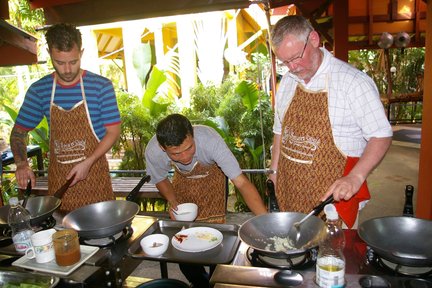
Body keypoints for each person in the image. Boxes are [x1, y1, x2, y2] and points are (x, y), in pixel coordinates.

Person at [268, 15, 393, 229]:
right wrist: (274, 173)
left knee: (333, 260)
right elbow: (280, 132)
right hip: (289, 198)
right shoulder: (288, 82)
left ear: (314, 39)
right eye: (285, 62)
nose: (293, 67)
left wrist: (355, 177)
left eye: (296, 57)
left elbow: (381, 134)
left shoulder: (353, 82)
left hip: (333, 205)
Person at [145, 113, 267, 287]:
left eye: (189, 148)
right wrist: (173, 203)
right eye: (176, 153)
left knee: (216, 240)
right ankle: (202, 283)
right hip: (183, 182)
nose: (185, 157)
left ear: (193, 135)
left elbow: (241, 182)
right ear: (163, 148)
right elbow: (160, 179)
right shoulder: (153, 151)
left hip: (213, 177)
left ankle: (215, 278)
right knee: (183, 244)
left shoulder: (210, 140)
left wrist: (266, 222)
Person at [10, 23, 121, 212]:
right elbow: (18, 132)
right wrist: (21, 164)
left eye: (73, 61)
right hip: (59, 185)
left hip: (96, 182)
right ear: (49, 53)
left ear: (81, 53)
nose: (68, 69)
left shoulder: (100, 86)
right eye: (60, 63)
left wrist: (88, 161)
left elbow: (113, 131)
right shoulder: (40, 91)